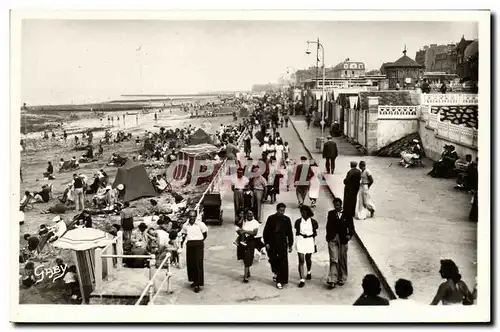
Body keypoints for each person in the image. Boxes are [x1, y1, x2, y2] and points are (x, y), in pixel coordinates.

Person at [263, 203, 294, 290]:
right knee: (273, 260)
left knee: (282, 262)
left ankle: (280, 280)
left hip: (282, 243)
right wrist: (267, 243)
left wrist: (290, 244)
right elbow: (266, 231)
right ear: (277, 210)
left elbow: (289, 233)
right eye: (280, 210)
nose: (282, 212)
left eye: (283, 211)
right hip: (272, 243)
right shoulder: (271, 218)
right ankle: (276, 273)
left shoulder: (286, 219)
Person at [326, 197, 355, 289]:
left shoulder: (347, 214)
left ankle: (342, 278)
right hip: (333, 238)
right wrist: (328, 237)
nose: (336, 207)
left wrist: (349, 235)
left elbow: (351, 227)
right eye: (335, 205)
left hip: (343, 239)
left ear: (341, 205)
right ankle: (332, 280)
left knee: (342, 258)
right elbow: (328, 226)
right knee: (333, 259)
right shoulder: (331, 214)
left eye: (338, 205)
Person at [180, 210, 208, 293]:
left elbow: (205, 234)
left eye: (193, 216)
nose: (192, 218)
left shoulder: (200, 224)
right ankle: (193, 280)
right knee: (191, 263)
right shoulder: (185, 225)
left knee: (198, 263)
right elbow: (184, 234)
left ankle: (198, 284)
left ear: (196, 216)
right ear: (188, 216)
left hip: (198, 244)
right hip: (190, 244)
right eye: (190, 216)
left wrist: (199, 241)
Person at [294, 205, 318, 288]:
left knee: (308, 258)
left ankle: (309, 271)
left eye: (304, 212)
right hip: (300, 240)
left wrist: (314, 244)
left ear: (308, 213)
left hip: (309, 240)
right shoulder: (298, 222)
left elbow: (314, 233)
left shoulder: (313, 222)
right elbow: (297, 232)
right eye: (301, 212)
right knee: (301, 260)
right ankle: (302, 279)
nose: (302, 214)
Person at [236, 210, 260, 283]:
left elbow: (254, 233)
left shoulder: (255, 223)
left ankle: (245, 276)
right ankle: (248, 272)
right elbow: (238, 227)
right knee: (243, 257)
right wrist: (242, 219)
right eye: (248, 214)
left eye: (251, 214)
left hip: (250, 241)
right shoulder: (244, 221)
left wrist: (245, 231)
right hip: (242, 240)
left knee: (248, 257)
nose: (250, 215)